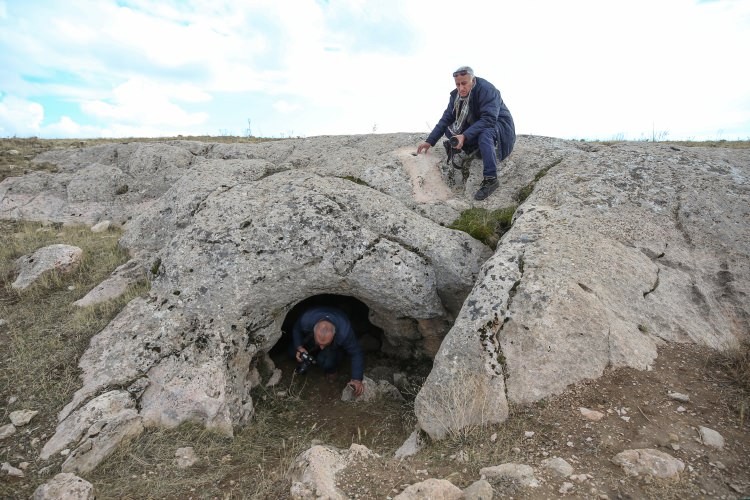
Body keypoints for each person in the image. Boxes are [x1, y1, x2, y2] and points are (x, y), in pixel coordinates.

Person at [417, 66, 516, 201]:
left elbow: (489, 119)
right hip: (479, 123)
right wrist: (430, 141)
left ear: (473, 80)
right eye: (458, 84)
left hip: (500, 128)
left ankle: (491, 179)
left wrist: (464, 136)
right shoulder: (456, 96)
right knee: (450, 129)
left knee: (485, 134)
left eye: (464, 83)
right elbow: (446, 118)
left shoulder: (488, 90)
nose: (461, 88)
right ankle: (467, 149)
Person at [291, 306, 365, 397]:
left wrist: (356, 379)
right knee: (292, 352)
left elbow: (356, 353)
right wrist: (299, 347)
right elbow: (296, 329)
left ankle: (332, 368)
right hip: (311, 338)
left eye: (325, 344)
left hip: (335, 344)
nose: (321, 347)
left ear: (334, 334)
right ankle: (315, 349)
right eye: (319, 343)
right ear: (313, 331)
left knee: (327, 362)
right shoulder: (306, 320)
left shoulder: (344, 332)